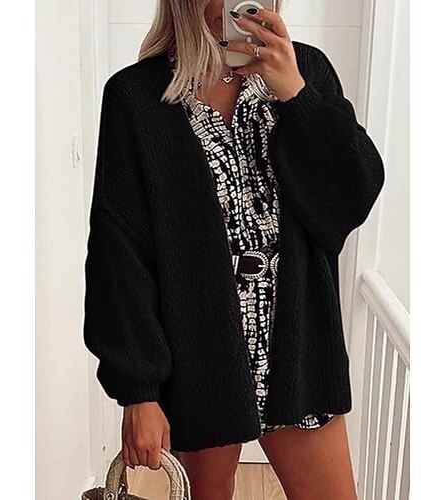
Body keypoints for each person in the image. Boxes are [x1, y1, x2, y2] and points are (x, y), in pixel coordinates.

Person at [83, 1, 385, 498]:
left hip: (297, 346)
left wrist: (296, 96)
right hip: (198, 354)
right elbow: (120, 255)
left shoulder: (305, 70)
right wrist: (138, 390)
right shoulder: (136, 96)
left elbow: (352, 197)